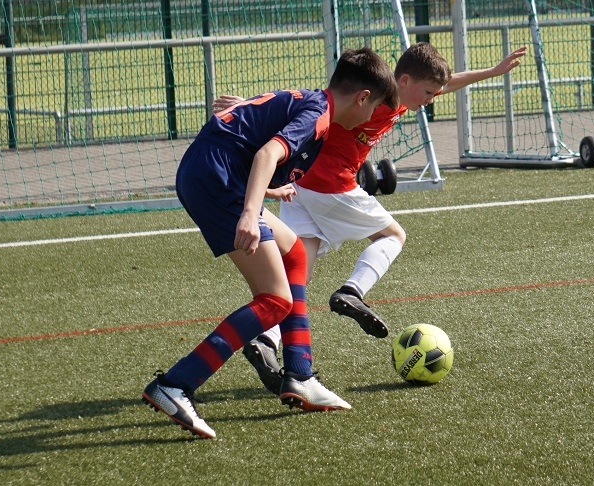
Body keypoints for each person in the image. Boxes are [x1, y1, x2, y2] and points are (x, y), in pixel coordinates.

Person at [216, 42, 527, 395]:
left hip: (299, 183)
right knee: (393, 236)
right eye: (428, 93)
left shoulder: (392, 93)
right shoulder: (378, 101)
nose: (431, 100)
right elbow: (321, 105)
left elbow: (446, 82)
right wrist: (251, 105)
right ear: (404, 81)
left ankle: (266, 339)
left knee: (299, 274)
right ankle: (352, 291)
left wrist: (493, 71)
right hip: (330, 183)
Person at [142, 47, 398, 439]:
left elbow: (254, 132)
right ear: (363, 97)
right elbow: (266, 153)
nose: (370, 117)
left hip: (215, 172)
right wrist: (250, 212)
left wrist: (267, 191)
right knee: (275, 300)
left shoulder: (314, 102)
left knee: (295, 253)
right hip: (217, 180)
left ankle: (300, 375)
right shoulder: (319, 115)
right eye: (374, 107)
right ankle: (176, 384)